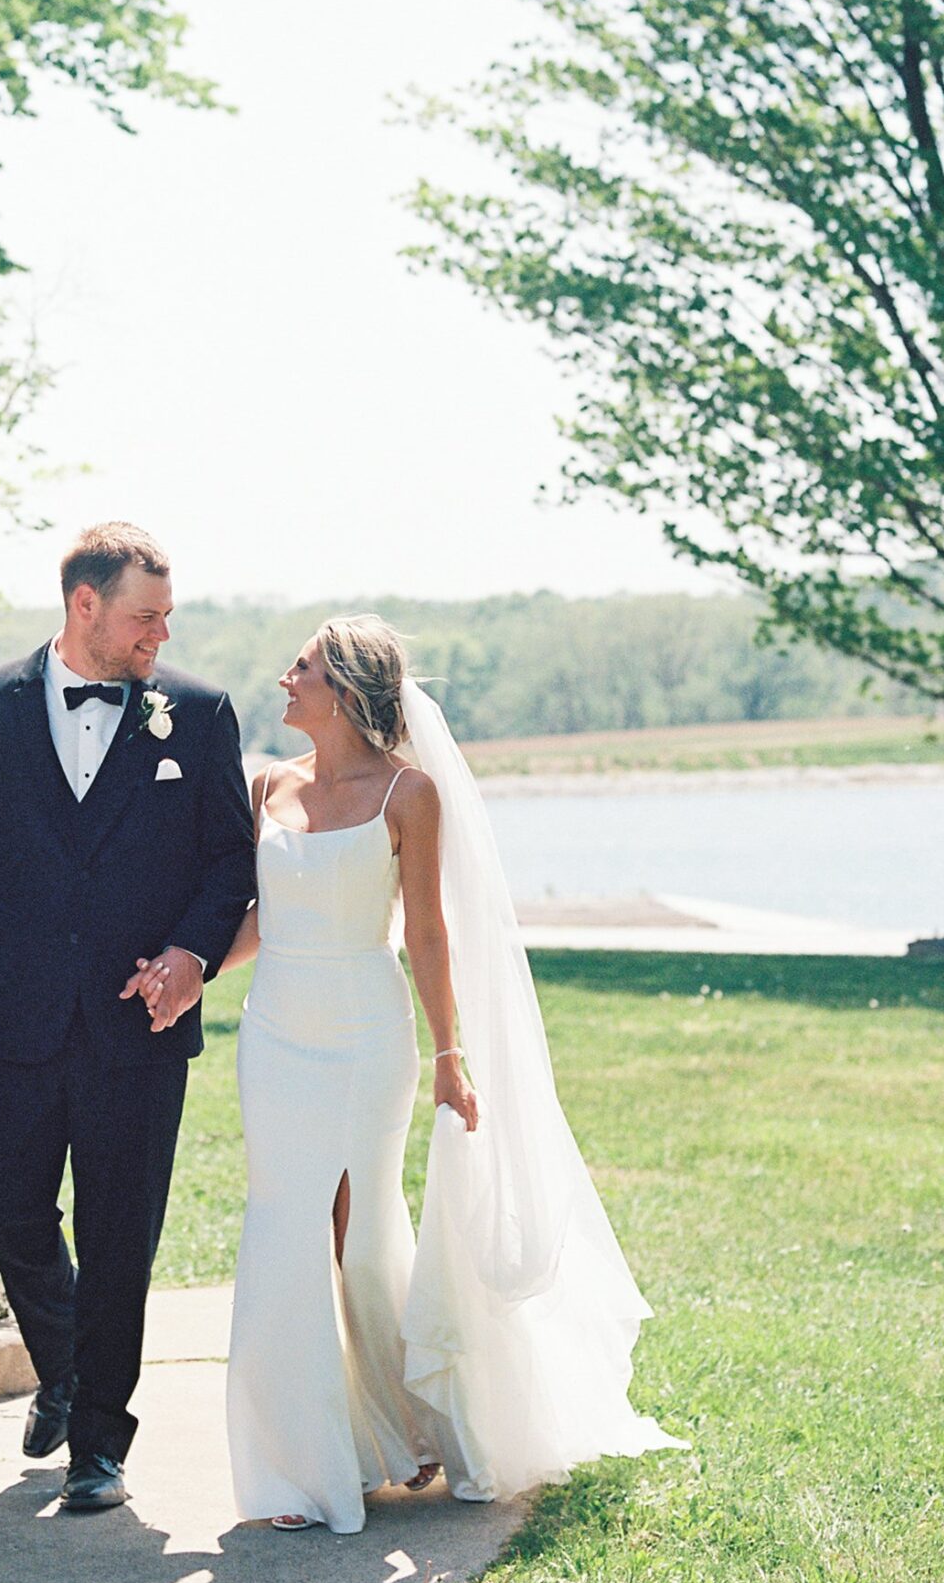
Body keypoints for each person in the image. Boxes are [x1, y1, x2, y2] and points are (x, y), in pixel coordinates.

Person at [199, 614, 673, 1533]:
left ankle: (411, 1423)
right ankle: (303, 1466)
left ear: (341, 686)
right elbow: (263, 915)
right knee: (284, 1228)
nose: (281, 680)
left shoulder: (408, 795)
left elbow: (424, 932)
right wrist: (191, 975)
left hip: (368, 1033)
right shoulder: (266, 786)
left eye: (299, 668)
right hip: (277, 1034)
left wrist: (451, 1057)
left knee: (364, 1232)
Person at [0, 522, 255, 1515]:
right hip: (18, 1017)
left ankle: (98, 1445)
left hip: (141, 1022)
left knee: (121, 1234)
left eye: (164, 618)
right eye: (143, 617)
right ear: (84, 605)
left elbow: (229, 864)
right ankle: (63, 1365)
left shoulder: (199, 716)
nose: (158, 636)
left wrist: (189, 956)